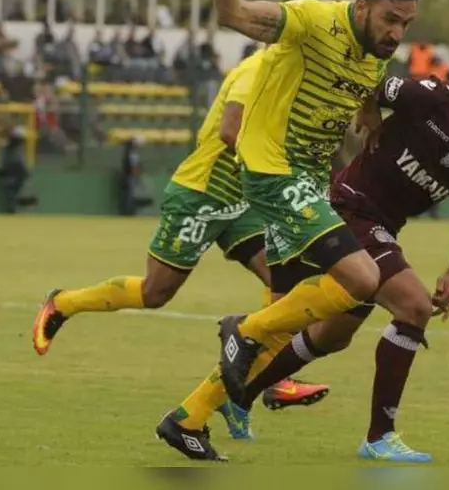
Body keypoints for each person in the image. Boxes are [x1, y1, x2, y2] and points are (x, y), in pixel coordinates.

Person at [160, 61, 449, 463]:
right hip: (350, 207)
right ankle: (379, 437)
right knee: (413, 306)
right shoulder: (434, 96)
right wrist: (369, 107)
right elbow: (370, 77)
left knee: (331, 336)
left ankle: (234, 397)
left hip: (385, 227)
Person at [167, 0, 424, 455]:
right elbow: (232, 13)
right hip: (272, 170)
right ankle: (243, 328)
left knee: (301, 322)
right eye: (390, 18)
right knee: (361, 278)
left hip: (310, 179)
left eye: (406, 23)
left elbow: (361, 91)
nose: (398, 32)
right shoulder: (309, 20)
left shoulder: (376, 51)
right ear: (361, 6)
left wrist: (371, 112)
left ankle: (187, 419)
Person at [30, 53, 330, 420]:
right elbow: (230, 132)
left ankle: (270, 378)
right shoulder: (257, 70)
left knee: (284, 282)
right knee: (155, 292)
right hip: (203, 194)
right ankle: (62, 303)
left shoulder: (290, 77)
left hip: (241, 199)